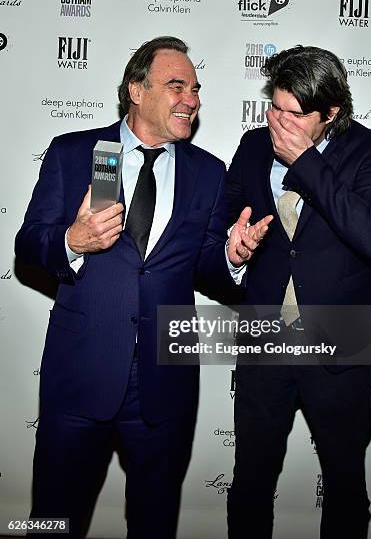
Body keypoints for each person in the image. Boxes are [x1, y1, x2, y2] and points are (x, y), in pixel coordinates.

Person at [15, 36, 271, 539]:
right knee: (51, 517)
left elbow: (205, 268)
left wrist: (232, 257)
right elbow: (29, 243)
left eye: (195, 88)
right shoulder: (75, 153)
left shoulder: (209, 173)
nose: (192, 99)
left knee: (154, 523)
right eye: (176, 85)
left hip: (164, 383)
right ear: (136, 89)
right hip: (80, 374)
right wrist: (73, 239)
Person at [226, 45, 371, 539]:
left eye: (295, 115)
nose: (279, 123)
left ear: (332, 114)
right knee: (251, 480)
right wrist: (232, 250)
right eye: (273, 107)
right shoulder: (253, 146)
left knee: (345, 483)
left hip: (344, 343)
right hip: (265, 344)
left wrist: (305, 162)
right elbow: (224, 221)